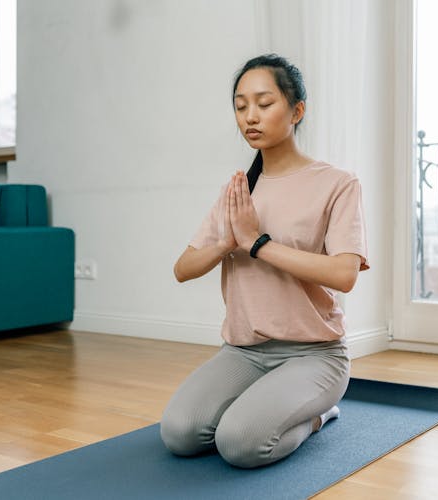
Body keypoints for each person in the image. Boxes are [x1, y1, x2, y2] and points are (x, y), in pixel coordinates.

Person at [160, 54, 369, 469]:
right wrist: (228, 243)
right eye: (240, 106)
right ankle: (265, 406)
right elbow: (182, 269)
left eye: (263, 103)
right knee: (180, 434)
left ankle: (318, 414)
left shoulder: (337, 184)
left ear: (297, 110)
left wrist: (257, 243)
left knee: (239, 443)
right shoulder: (239, 190)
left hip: (314, 355)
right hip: (243, 352)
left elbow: (344, 275)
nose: (250, 117)